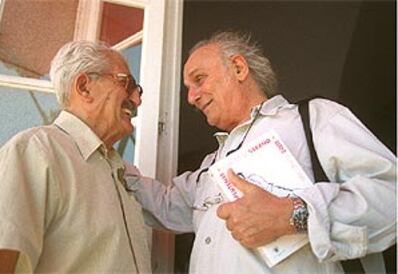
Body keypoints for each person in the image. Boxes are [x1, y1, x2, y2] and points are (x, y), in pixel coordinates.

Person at [124, 31, 396, 273]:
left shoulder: (313, 119)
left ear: (239, 68)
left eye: (199, 79)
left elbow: (392, 197)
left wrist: (292, 215)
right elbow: (164, 205)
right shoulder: (210, 167)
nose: (191, 97)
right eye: (189, 88)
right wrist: (106, 154)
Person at [0, 41, 151, 273]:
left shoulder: (118, 171)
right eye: (127, 83)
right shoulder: (37, 151)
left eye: (138, 90)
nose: (137, 100)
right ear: (84, 87)